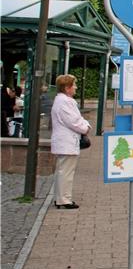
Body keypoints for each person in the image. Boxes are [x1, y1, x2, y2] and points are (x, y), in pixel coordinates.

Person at [50, 74, 91, 210]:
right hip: (67, 142)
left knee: (63, 170)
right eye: (73, 85)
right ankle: (64, 199)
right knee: (66, 172)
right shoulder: (65, 102)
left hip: (65, 141)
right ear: (67, 88)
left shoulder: (62, 101)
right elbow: (74, 121)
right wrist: (86, 128)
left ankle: (60, 197)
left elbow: (76, 118)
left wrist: (84, 124)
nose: (75, 87)